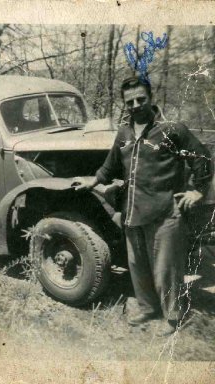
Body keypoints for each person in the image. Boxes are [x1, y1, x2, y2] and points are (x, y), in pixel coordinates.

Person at [73, 76, 213, 336]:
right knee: (138, 266)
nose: (136, 105)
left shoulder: (172, 129)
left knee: (165, 270)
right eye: (130, 101)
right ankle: (148, 308)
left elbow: (202, 157)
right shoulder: (125, 132)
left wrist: (197, 191)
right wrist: (93, 181)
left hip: (164, 213)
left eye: (141, 99)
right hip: (132, 211)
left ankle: (173, 318)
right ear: (124, 104)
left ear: (151, 98)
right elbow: (111, 164)